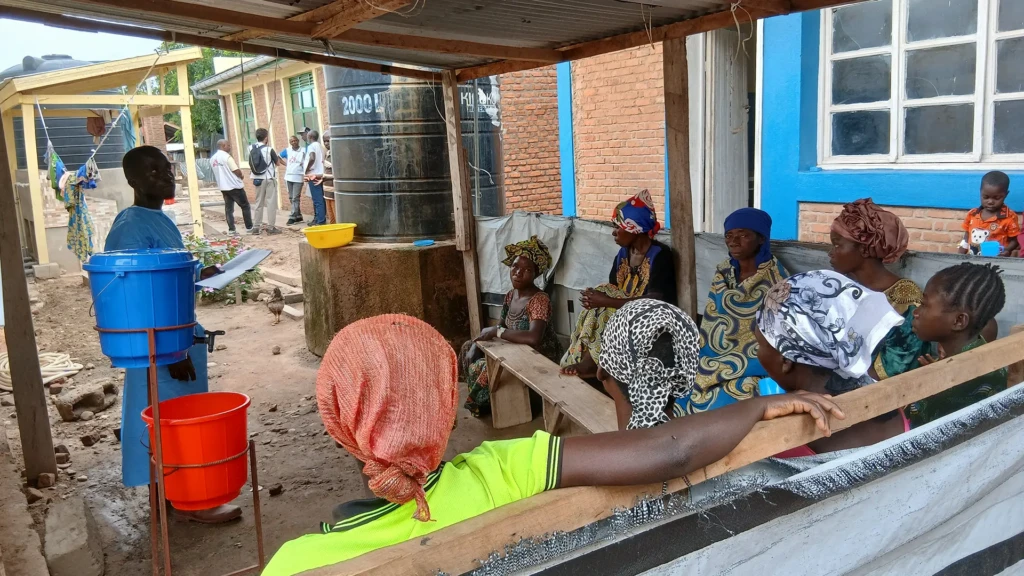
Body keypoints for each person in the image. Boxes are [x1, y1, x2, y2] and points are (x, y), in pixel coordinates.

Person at [261, 311, 843, 575]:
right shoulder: (502, 469)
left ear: (340, 427)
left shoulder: (298, 563)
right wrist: (760, 404)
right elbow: (670, 451)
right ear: (445, 404)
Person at [104, 146, 240, 523]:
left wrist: (200, 276)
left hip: (178, 337)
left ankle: (184, 496)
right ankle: (177, 500)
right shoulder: (130, 227)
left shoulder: (158, 218)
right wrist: (173, 352)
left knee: (180, 422)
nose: (165, 176)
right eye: (152, 172)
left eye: (166, 169)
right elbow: (136, 299)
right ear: (131, 180)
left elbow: (164, 280)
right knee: (164, 424)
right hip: (160, 345)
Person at [754, 269, 909, 453]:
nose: (758, 354)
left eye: (760, 345)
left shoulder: (782, 435)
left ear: (786, 360)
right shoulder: (890, 402)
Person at [676, 208, 788, 415]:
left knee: (734, 397)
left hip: (754, 361)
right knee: (682, 383)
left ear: (761, 238)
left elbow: (777, 336)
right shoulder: (724, 271)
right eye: (729, 235)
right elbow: (712, 318)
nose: (734, 241)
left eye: (744, 235)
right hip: (713, 352)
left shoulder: (777, 280)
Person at [560, 190, 677, 378]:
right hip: (624, 313)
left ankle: (593, 362)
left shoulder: (660, 256)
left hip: (653, 319)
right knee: (601, 294)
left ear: (635, 229)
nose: (613, 232)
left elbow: (655, 301)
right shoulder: (623, 254)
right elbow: (613, 290)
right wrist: (596, 298)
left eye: (618, 227)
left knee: (605, 303)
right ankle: (592, 360)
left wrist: (605, 301)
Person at [828, 198, 929, 382]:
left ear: (865, 249)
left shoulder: (905, 299)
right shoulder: (844, 289)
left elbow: (897, 368)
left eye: (837, 245)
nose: (831, 252)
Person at [460, 236, 562, 417]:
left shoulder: (539, 300)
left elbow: (533, 337)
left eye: (527, 270)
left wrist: (497, 332)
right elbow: (500, 327)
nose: (518, 273)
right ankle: (492, 400)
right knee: (468, 347)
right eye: (515, 266)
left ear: (535, 274)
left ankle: (490, 405)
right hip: (515, 351)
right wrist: (478, 343)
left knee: (482, 367)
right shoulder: (510, 295)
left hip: (539, 357)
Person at [908, 263, 1008, 427]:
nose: (916, 312)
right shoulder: (987, 359)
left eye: (924, 305)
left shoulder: (948, 391)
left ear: (959, 321)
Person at [958, 171, 1019, 256]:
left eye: (997, 198)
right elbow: (967, 233)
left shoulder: (1009, 217)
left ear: (1006, 194)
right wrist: (963, 248)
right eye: (985, 197)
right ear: (980, 192)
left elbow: (1015, 240)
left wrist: (1007, 250)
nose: (990, 202)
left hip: (996, 261)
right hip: (972, 259)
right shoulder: (972, 214)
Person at [210, 139, 252, 235]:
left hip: (223, 187)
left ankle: (231, 230)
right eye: (228, 145)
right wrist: (241, 176)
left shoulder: (213, 159)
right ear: (223, 145)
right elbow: (235, 170)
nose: (230, 147)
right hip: (234, 186)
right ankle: (249, 228)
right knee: (245, 206)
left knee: (229, 209)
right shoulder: (227, 157)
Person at [247, 128, 284, 236]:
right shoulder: (269, 149)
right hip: (269, 178)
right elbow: (277, 163)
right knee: (271, 202)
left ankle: (256, 227)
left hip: (257, 179)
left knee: (258, 203)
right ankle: (271, 227)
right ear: (266, 138)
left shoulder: (250, 148)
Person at [280, 134, 306, 226]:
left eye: (295, 140)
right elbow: (278, 157)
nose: (293, 142)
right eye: (291, 141)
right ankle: (298, 216)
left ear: (298, 141)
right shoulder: (287, 150)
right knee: (291, 197)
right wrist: (286, 164)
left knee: (295, 197)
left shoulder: (303, 150)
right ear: (290, 143)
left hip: (298, 176)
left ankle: (292, 217)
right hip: (288, 177)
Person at [304, 129, 327, 226]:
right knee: (320, 198)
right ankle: (318, 218)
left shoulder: (311, 146)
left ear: (310, 137)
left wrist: (307, 169)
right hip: (321, 174)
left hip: (313, 175)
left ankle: (320, 221)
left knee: (317, 200)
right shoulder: (321, 147)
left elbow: (312, 158)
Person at [320, 130, 337, 225]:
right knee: (331, 218)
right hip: (327, 191)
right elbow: (327, 172)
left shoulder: (337, 154)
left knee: (337, 216)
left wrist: (324, 178)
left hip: (334, 192)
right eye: (324, 141)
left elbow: (339, 174)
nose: (326, 143)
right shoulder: (328, 154)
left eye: (328, 141)